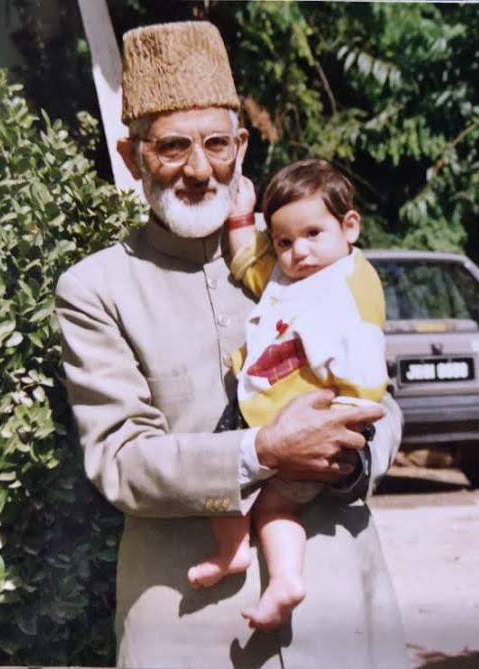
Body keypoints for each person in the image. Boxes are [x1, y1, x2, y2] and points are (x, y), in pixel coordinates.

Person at [55, 21, 409, 668]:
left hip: (338, 612)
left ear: (241, 146)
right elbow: (122, 460)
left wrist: (354, 460)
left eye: (217, 143)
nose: (199, 169)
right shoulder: (96, 289)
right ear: (132, 157)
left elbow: (381, 398)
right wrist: (262, 450)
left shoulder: (300, 246)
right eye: (172, 147)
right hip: (191, 628)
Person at [187, 159, 389, 634]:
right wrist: (242, 216)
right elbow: (250, 264)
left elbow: (366, 373)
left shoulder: (353, 285)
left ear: (350, 227)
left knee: (275, 507)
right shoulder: (290, 277)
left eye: (313, 234)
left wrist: (342, 429)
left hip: (316, 433)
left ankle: (284, 579)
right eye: (283, 242)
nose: (299, 251)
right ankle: (234, 552)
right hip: (258, 419)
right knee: (223, 482)